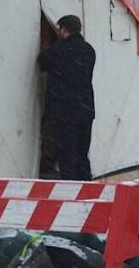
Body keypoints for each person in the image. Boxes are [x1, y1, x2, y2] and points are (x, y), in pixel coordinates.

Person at [37, 15, 96, 181]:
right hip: (85, 108)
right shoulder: (89, 50)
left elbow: (43, 61)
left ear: (63, 29)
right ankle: (86, 185)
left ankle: (71, 187)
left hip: (65, 110)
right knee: (82, 151)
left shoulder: (60, 50)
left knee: (67, 152)